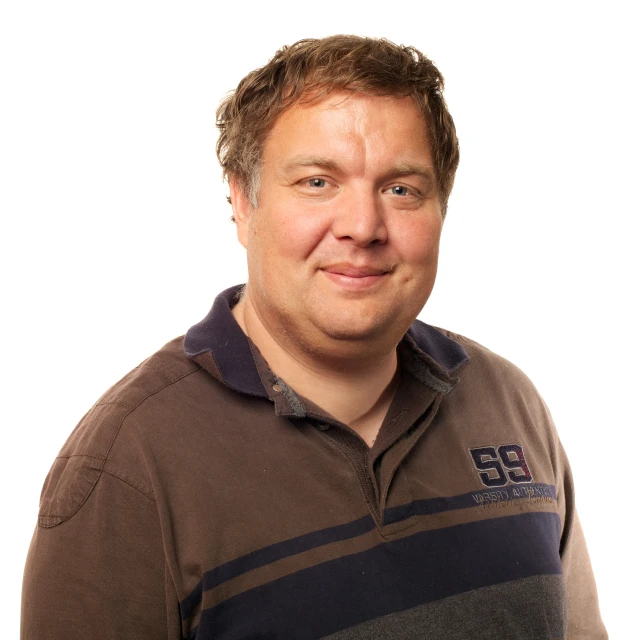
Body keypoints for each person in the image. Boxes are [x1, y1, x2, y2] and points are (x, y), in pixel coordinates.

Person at [21, 35, 607, 639]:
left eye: (401, 188)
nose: (362, 227)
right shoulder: (126, 471)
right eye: (317, 182)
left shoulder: (508, 405)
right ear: (244, 202)